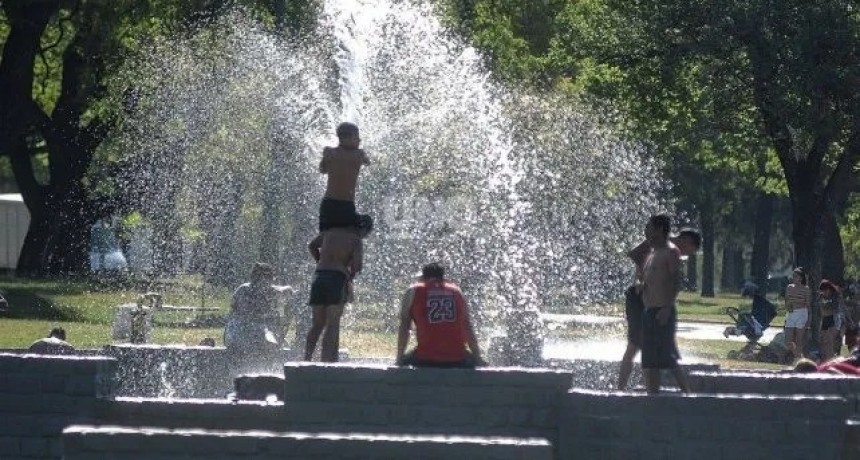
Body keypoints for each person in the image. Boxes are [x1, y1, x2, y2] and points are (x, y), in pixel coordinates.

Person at [617, 225, 700, 391]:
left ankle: (663, 392)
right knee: (636, 344)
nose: (686, 255)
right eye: (689, 251)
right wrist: (642, 277)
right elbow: (635, 254)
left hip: (656, 300)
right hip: (641, 298)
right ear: (687, 241)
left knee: (659, 347)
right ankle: (622, 390)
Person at [305, 215, 373, 362]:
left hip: (319, 276)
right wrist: (349, 275)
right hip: (337, 279)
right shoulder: (356, 240)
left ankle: (306, 360)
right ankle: (326, 363)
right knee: (332, 324)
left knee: (317, 324)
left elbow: (311, 246)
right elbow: (357, 266)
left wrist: (321, 261)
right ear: (363, 230)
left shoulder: (330, 231)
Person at [395, 262, 487, 368]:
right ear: (442, 277)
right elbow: (467, 326)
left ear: (423, 277)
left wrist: (399, 358)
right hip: (457, 359)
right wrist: (478, 358)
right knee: (474, 359)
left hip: (426, 359)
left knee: (406, 360)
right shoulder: (456, 291)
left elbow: (404, 327)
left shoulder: (413, 291)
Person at [640, 215, 688, 394]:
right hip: (649, 311)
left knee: (668, 357)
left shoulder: (670, 252)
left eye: (649, 227)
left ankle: (689, 395)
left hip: (663, 311)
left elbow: (676, 281)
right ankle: (652, 398)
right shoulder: (653, 253)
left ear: (659, 229)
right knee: (649, 361)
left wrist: (667, 307)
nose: (646, 230)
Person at [225, 263, 293, 374]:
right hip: (248, 332)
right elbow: (287, 290)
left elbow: (233, 309)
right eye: (270, 278)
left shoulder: (243, 288)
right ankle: (267, 371)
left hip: (234, 331)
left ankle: (255, 369)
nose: (269, 281)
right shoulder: (262, 290)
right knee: (272, 342)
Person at [318, 122, 370, 232]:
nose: (359, 140)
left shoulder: (330, 152)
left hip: (328, 205)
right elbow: (368, 163)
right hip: (346, 206)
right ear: (347, 138)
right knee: (367, 222)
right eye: (357, 137)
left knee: (324, 235)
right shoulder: (359, 154)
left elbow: (322, 170)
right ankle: (355, 240)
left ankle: (320, 242)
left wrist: (325, 158)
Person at [784, 267, 811, 361]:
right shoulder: (789, 287)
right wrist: (788, 307)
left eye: (796, 276)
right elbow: (786, 300)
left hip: (801, 313)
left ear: (801, 277)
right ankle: (796, 354)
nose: (794, 277)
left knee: (799, 339)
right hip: (791, 313)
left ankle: (797, 358)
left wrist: (809, 320)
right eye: (793, 276)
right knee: (788, 340)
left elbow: (808, 305)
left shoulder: (806, 289)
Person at [818, 279, 845, 361]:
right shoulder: (821, 297)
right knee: (824, 341)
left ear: (829, 289)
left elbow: (834, 310)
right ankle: (827, 359)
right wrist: (825, 310)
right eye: (822, 291)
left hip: (834, 319)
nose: (824, 292)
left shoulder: (835, 296)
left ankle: (831, 360)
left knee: (830, 341)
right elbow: (822, 310)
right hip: (825, 320)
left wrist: (826, 309)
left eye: (825, 290)